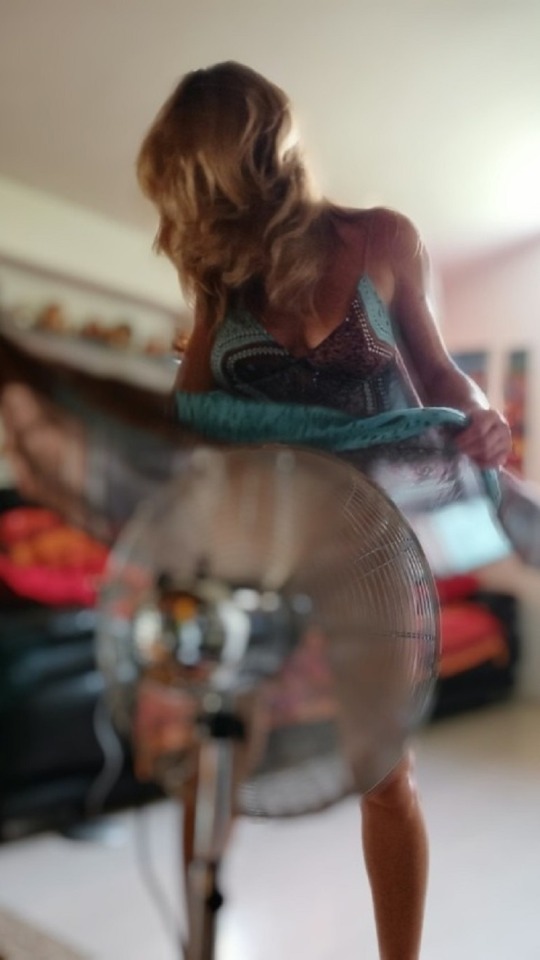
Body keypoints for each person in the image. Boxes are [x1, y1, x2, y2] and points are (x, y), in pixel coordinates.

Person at [134, 61, 511, 960]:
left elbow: (439, 373)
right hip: (256, 547)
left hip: (371, 543)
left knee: (385, 773)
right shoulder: (222, 277)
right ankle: (198, 946)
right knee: (217, 761)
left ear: (261, 154)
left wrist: (481, 415)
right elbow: (190, 410)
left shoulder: (382, 238)